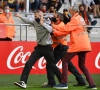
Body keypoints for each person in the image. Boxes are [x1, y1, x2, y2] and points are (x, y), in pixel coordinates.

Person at [14, 10, 61, 89]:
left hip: (47, 47)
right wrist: (20, 16)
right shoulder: (35, 22)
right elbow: (28, 20)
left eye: (37, 16)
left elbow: (50, 30)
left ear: (41, 16)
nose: (35, 18)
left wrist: (42, 23)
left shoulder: (47, 21)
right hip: (39, 48)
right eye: (34, 16)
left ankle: (62, 82)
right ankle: (23, 82)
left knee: (52, 65)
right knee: (29, 63)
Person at [52, 6, 97, 89]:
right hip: (85, 44)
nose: (67, 13)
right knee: (82, 65)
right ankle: (92, 84)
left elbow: (65, 28)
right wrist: (56, 33)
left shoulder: (75, 19)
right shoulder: (80, 18)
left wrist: (53, 27)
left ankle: (64, 83)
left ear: (73, 12)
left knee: (65, 60)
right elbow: (68, 30)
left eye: (69, 11)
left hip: (78, 44)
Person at [42, 12, 86, 87]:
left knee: (50, 64)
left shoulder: (61, 25)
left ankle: (52, 82)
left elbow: (60, 37)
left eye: (56, 17)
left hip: (61, 47)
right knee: (69, 66)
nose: (54, 18)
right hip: (62, 47)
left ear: (59, 18)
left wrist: (52, 33)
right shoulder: (56, 24)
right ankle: (81, 80)